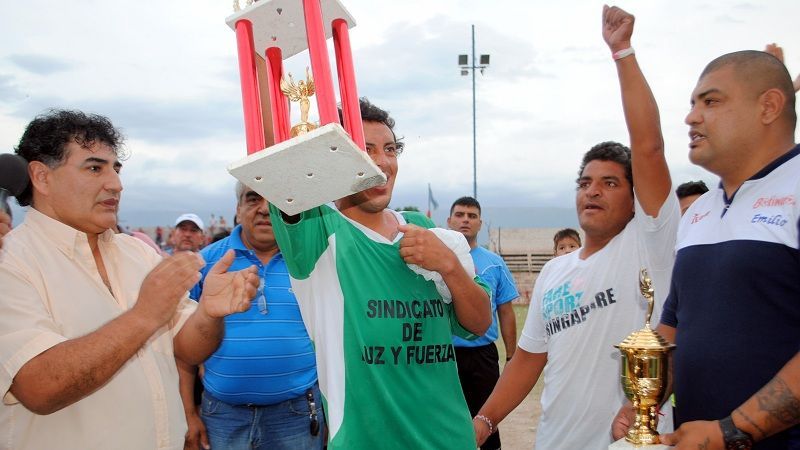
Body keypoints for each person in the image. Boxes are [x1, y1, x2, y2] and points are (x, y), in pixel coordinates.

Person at [473, 6, 679, 450]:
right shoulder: (555, 271)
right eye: (585, 182)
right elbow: (528, 362)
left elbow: (649, 147)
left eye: (610, 183)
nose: (593, 192)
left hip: (628, 442)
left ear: (634, 194)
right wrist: (485, 422)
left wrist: (622, 51)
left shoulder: (650, 243)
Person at [0, 109, 259, 449]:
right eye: (95, 168)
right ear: (42, 177)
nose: (116, 184)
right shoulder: (10, 261)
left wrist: (209, 315)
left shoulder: (137, 253)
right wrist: (145, 315)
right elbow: (38, 387)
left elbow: (188, 347)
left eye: (116, 169)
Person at [268, 98, 491, 449]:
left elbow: (478, 323)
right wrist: (263, 55)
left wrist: (449, 267)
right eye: (364, 149)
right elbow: (277, 160)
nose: (382, 162)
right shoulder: (318, 233)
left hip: (450, 439)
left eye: (390, 149)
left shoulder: (422, 229)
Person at [631, 49, 800, 450]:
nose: (691, 117)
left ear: (769, 107)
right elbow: (675, 319)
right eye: (692, 104)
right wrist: (646, 400)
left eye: (711, 101)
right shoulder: (700, 211)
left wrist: (732, 430)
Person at [178, 182, 325, 450]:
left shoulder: (312, 260)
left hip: (297, 416)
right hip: (222, 417)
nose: (265, 209)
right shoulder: (205, 263)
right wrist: (188, 413)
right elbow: (181, 349)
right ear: (238, 208)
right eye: (254, 198)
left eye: (276, 199)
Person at [446, 195, 519, 450]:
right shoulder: (434, 260)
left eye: (472, 216)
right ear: (449, 221)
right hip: (443, 355)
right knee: (445, 420)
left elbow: (506, 310)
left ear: (480, 223)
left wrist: (511, 356)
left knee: (487, 420)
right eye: (460, 215)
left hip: (482, 356)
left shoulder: (494, 263)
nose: (465, 220)